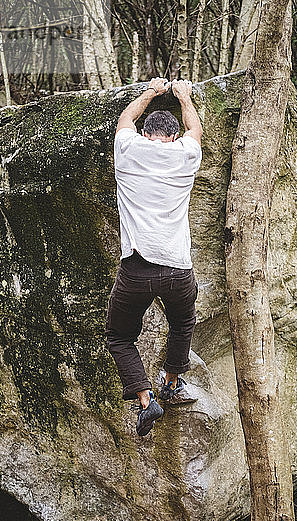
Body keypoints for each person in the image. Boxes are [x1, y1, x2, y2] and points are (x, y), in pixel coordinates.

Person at [105, 77, 203, 436]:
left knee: (119, 337)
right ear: (173, 137)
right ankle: (172, 380)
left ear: (145, 134)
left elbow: (124, 120)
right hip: (178, 269)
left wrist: (151, 91)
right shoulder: (185, 154)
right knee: (182, 324)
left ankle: (147, 398)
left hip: (136, 269)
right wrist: (183, 96)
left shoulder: (128, 149)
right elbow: (194, 128)